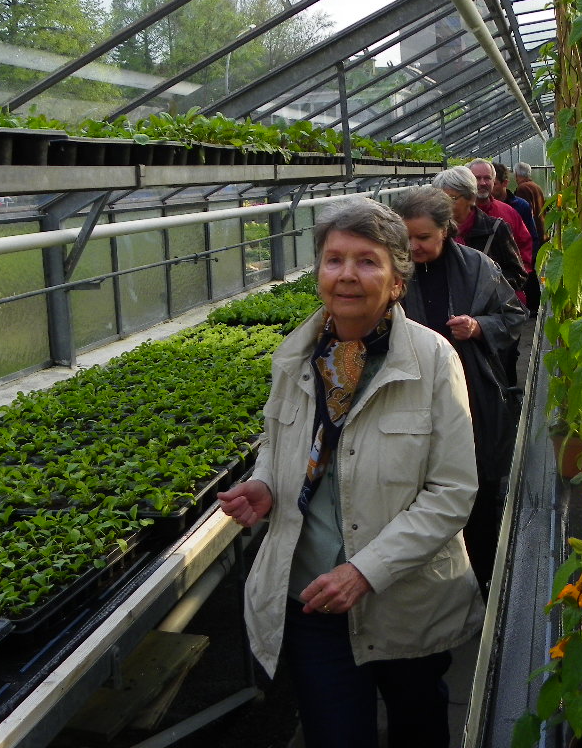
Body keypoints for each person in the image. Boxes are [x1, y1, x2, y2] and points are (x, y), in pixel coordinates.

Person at [218, 197, 483, 748]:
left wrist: (366, 570)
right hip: (313, 594)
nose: (346, 275)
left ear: (396, 281)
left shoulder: (433, 361)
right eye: (334, 259)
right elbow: (279, 442)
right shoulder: (295, 357)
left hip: (406, 596)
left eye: (367, 261)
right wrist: (265, 484)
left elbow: (451, 492)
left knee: (417, 725)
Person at [394, 186, 526, 595]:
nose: (413, 247)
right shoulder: (391, 269)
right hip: (409, 393)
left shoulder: (477, 266)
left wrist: (479, 326)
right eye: (406, 237)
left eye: (423, 237)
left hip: (471, 392)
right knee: (416, 484)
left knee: (476, 480)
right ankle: (427, 581)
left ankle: (480, 575)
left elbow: (513, 315)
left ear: (446, 230)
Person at [431, 166, 527, 294]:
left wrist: (485, 285)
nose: (444, 204)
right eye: (440, 198)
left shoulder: (495, 229)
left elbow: (518, 275)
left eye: (452, 198)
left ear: (470, 198)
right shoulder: (434, 231)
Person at [467, 158, 534, 276]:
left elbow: (525, 245)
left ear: (493, 181)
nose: (482, 183)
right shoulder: (460, 212)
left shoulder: (509, 212)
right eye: (477, 178)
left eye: (487, 178)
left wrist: (517, 277)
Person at [513, 162, 547, 316]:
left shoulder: (522, 189)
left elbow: (524, 213)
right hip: (542, 231)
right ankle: (536, 303)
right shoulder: (536, 187)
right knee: (535, 271)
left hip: (532, 234)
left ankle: (533, 305)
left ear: (517, 175)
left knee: (529, 272)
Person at [492, 162, 541, 252]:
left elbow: (529, 238)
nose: (490, 187)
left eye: (494, 184)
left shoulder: (522, 192)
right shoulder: (536, 186)